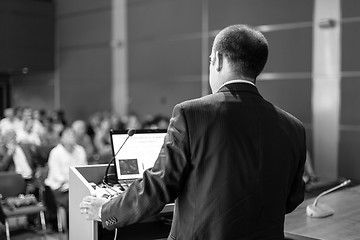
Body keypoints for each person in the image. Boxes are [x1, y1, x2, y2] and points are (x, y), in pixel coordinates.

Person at [80, 24, 306, 239]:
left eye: (210, 60)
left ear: (217, 59)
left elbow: (159, 186)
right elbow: (292, 199)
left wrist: (105, 211)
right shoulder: (293, 127)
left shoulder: (191, 113)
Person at [45, 127, 87, 229]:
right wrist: (72, 181)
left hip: (76, 184)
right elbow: (56, 175)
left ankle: (86, 228)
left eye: (72, 133)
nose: (71, 136)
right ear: (61, 138)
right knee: (72, 199)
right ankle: (72, 229)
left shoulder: (80, 150)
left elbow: (84, 169)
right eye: (67, 134)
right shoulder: (55, 152)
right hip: (58, 187)